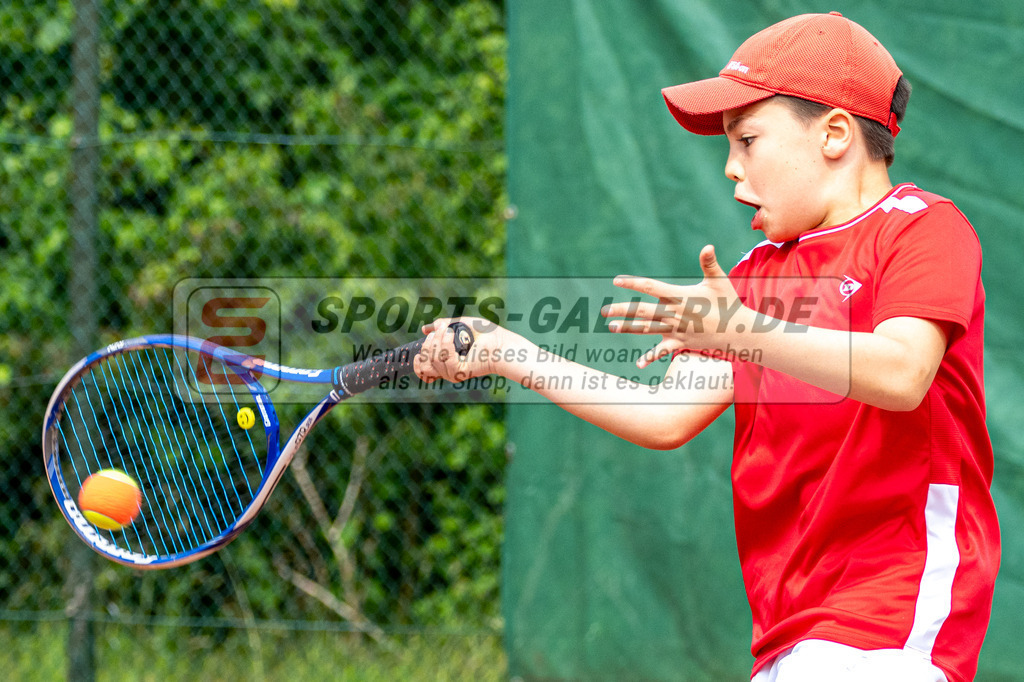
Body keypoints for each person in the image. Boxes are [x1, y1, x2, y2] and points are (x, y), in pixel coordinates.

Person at [415, 12, 999, 682]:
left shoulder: (923, 231)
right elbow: (666, 416)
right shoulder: (755, 278)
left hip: (892, 610)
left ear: (836, 134)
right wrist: (506, 353)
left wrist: (743, 333)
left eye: (748, 139)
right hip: (789, 627)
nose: (730, 168)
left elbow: (902, 372)